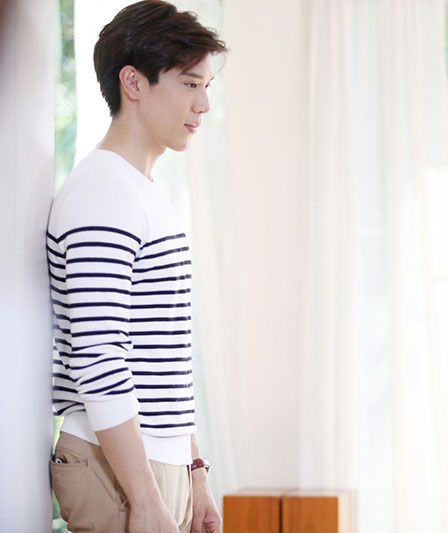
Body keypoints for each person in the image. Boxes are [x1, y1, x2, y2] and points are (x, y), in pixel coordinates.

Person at [47, 2, 227, 532]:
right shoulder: (103, 192)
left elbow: (163, 350)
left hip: (152, 464)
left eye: (206, 86)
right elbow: (100, 354)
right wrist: (146, 501)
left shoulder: (138, 189)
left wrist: (195, 471)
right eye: (190, 84)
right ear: (133, 82)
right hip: (120, 471)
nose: (204, 104)